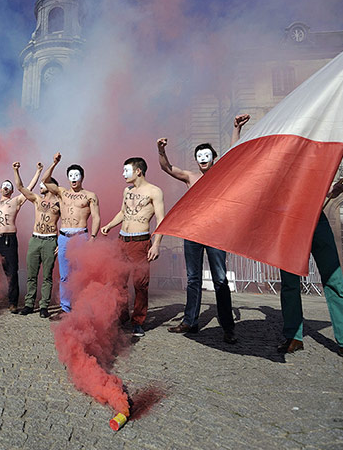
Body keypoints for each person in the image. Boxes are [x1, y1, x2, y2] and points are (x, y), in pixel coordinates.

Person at [231, 114, 343, 365]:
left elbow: (318, 189)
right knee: (289, 283)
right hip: (288, 224)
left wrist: (332, 191)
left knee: (334, 281)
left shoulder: (313, 155)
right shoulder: (276, 159)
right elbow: (243, 161)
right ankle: (293, 336)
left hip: (316, 221)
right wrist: (237, 131)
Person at [157, 136, 237, 343]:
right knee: (193, 279)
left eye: (207, 155)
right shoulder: (190, 177)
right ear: (196, 160)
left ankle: (228, 327)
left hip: (216, 234)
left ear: (213, 158)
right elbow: (167, 168)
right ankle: (190, 321)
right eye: (199, 156)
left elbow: (234, 153)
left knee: (220, 280)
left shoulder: (221, 175)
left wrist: (236, 128)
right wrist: (161, 150)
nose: (203, 159)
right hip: (192, 233)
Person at [101, 157, 165, 337]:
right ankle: (121, 317)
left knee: (140, 283)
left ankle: (138, 321)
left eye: (126, 170)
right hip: (122, 240)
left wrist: (157, 244)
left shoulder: (154, 191)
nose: (123, 174)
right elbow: (123, 212)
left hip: (140, 242)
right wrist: (109, 225)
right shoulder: (127, 190)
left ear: (138, 171)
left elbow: (161, 220)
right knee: (118, 281)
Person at [0, 163, 43, 312]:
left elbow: (29, 188)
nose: (6, 188)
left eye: (9, 186)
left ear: (12, 190)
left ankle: (12, 302)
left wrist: (37, 171)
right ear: (0, 189)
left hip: (8, 240)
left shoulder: (16, 201)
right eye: (4, 186)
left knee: (11, 272)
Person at [41, 153, 100, 313]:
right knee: (64, 275)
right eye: (71, 176)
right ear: (67, 178)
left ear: (82, 177)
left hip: (81, 236)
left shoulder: (90, 196)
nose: (74, 178)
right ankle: (65, 308)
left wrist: (93, 238)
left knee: (81, 274)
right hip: (64, 236)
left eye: (77, 175)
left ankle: (81, 306)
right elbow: (45, 181)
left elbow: (96, 217)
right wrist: (54, 163)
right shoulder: (62, 192)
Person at [13, 163, 61, 318]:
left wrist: (61, 242)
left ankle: (44, 306)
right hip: (35, 239)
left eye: (43, 184)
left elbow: (67, 222)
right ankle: (29, 304)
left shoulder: (60, 203)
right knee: (31, 275)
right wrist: (16, 170)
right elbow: (20, 187)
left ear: (50, 186)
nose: (40, 186)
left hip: (50, 241)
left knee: (47, 276)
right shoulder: (37, 200)